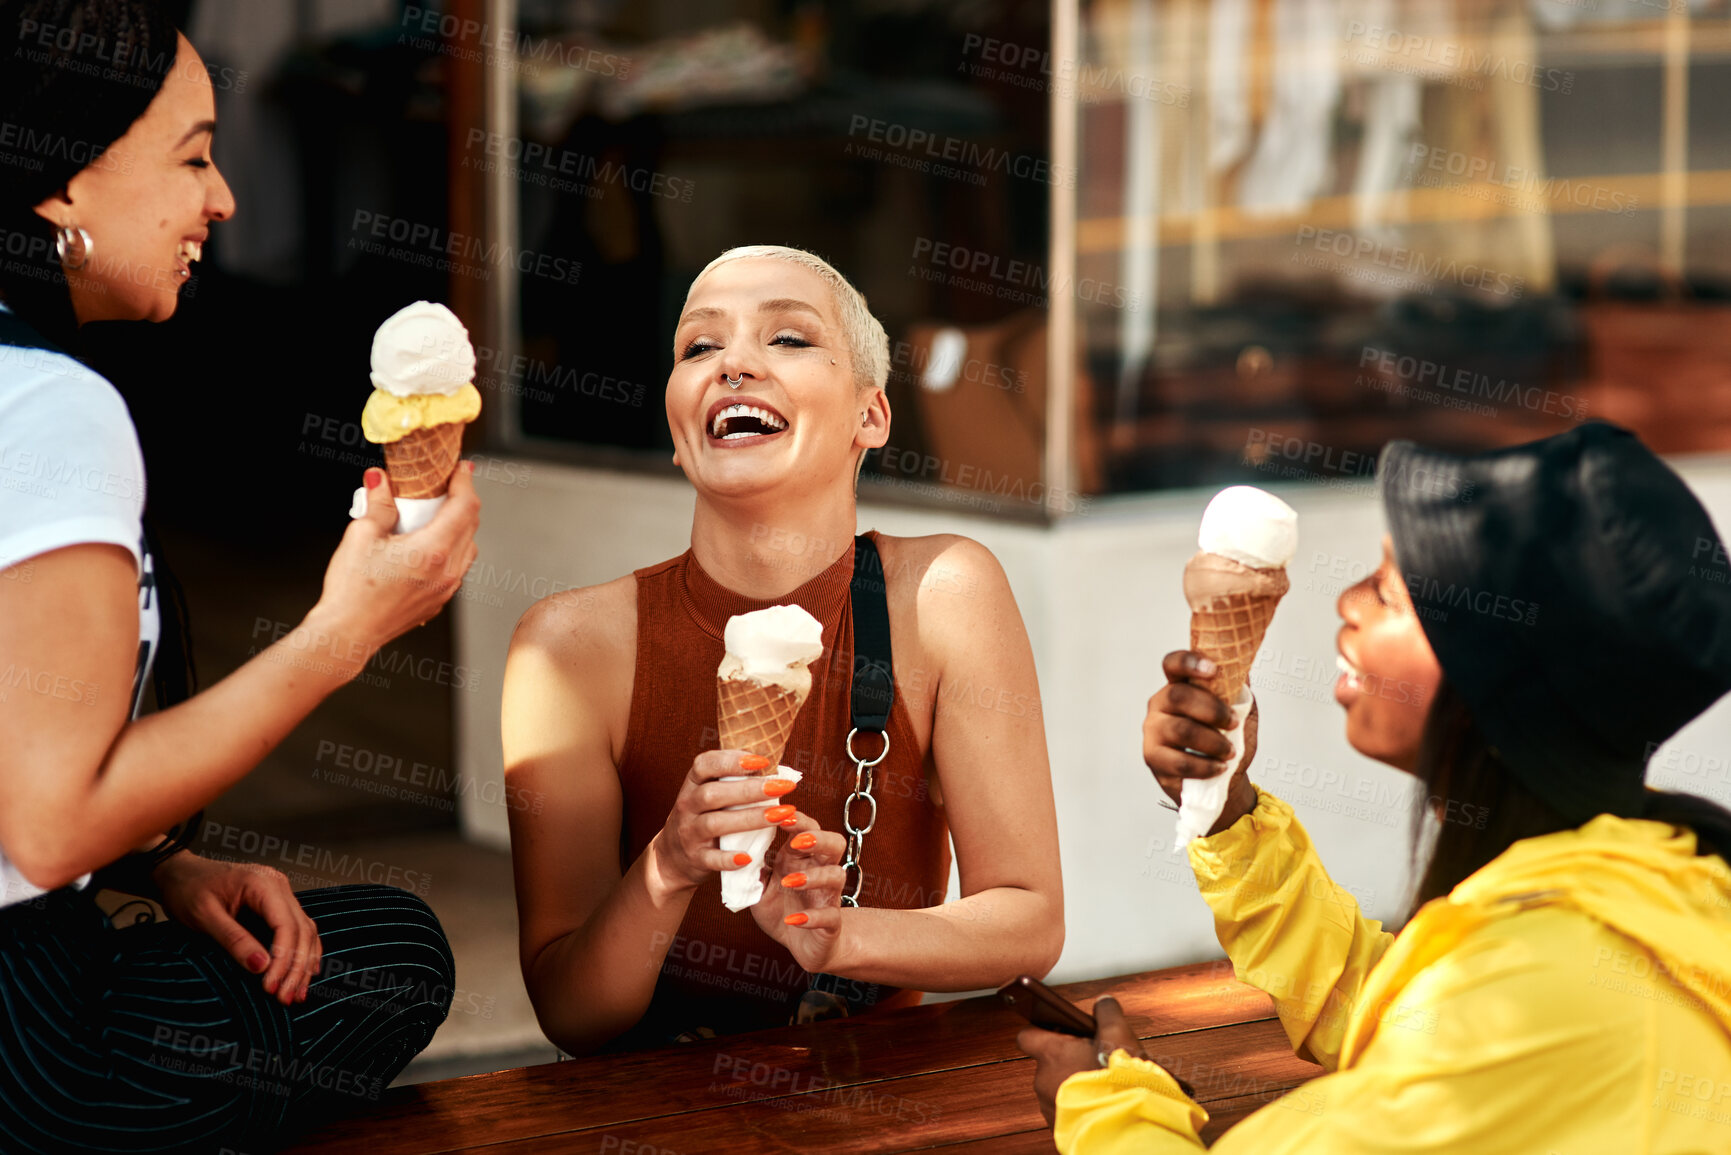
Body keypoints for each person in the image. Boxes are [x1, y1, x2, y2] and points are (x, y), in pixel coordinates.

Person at [0, 2, 481, 1150]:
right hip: (34, 1053)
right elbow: (48, 830)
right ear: (61, 181)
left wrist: (164, 863)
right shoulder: (51, 406)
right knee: (396, 959)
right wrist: (344, 634)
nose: (221, 199)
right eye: (193, 156)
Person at [1021, 422, 1731, 1152]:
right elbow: (1399, 1015)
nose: (1346, 602)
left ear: (1501, 674)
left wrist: (1109, 1103)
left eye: (1389, 590)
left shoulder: (1540, 996)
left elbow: (1453, 1038)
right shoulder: (1650, 881)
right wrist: (1228, 809)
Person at [503, 244, 1063, 1053]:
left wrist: (840, 935)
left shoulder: (945, 595)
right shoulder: (565, 649)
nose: (733, 363)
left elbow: (1030, 919)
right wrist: (668, 864)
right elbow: (572, 1012)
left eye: (788, 339)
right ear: (677, 427)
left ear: (869, 415)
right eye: (699, 346)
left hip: (879, 1098)